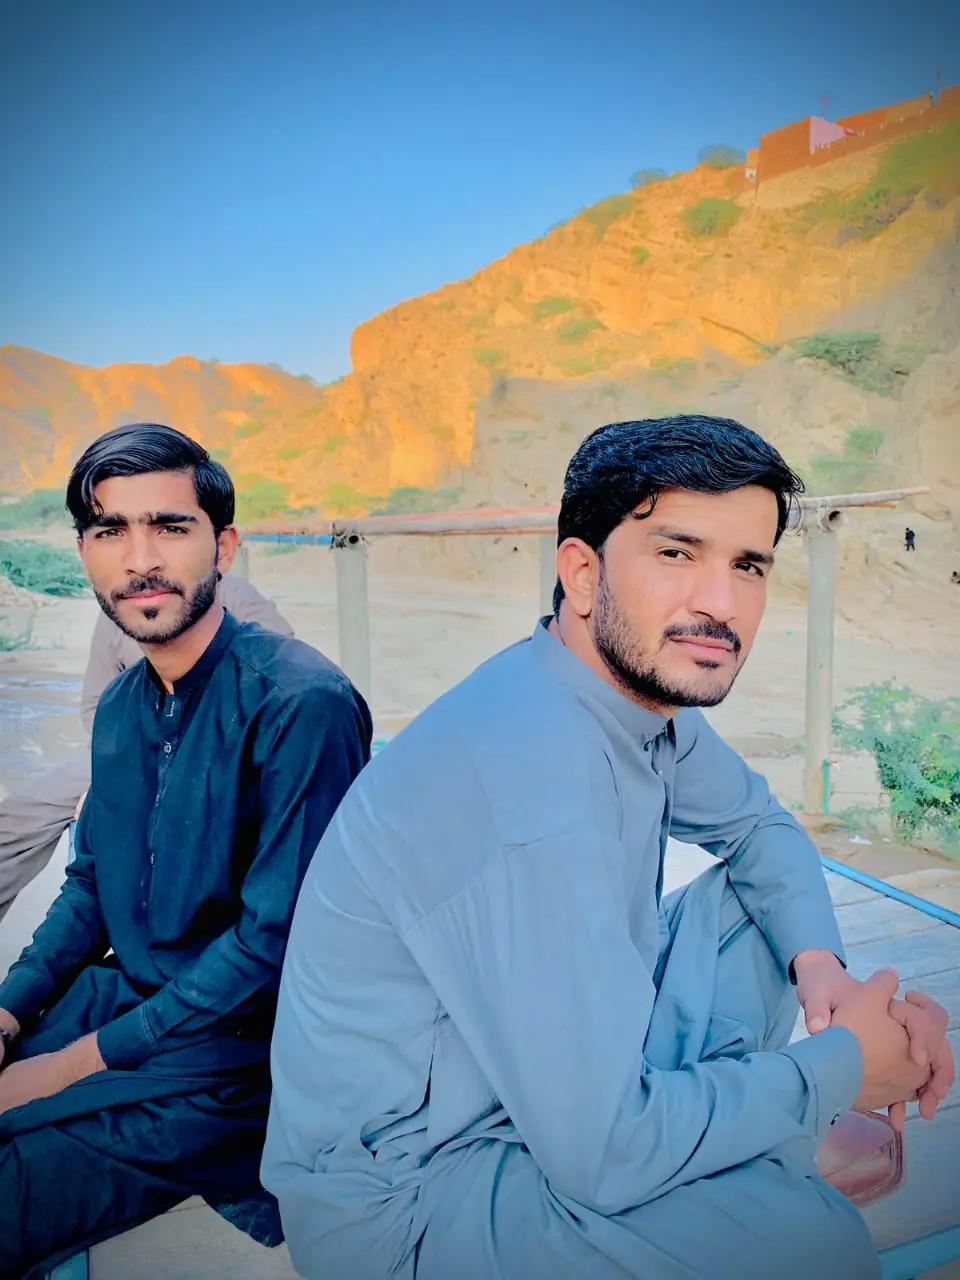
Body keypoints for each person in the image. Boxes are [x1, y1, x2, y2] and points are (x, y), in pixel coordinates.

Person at [263, 415, 953, 1280]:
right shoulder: (528, 781)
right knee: (820, 1252)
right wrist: (842, 1068)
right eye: (676, 553)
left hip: (548, 1090)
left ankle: (739, 1144)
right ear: (583, 575)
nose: (720, 603)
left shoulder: (625, 695)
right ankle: (750, 1149)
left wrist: (829, 979)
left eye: (748, 565)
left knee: (759, 911)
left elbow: (760, 827)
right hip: (417, 1191)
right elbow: (605, 1153)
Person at [0, 423, 372, 1276]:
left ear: (224, 547)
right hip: (122, 1005)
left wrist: (65, 1068)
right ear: (85, 554)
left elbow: (271, 944)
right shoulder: (124, 707)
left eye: (170, 526)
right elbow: (91, 885)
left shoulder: (301, 703)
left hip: (227, 1062)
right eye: (110, 530)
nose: (140, 560)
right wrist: (11, 1009)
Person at [0, 572, 293, 923]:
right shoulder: (120, 607)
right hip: (132, 748)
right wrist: (112, 772)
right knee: (19, 816)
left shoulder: (230, 593)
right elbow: (95, 709)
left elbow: (282, 675)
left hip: (218, 748)